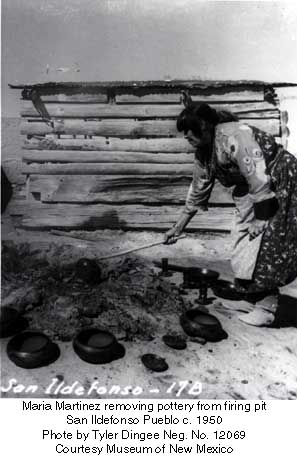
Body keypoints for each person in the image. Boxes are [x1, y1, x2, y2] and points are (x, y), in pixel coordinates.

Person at [163, 95, 297, 326]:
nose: (186, 137)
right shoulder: (204, 152)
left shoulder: (234, 136)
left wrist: (262, 218)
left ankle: (266, 308)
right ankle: (250, 298)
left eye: (189, 132)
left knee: (266, 244)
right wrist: (177, 228)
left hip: (277, 182)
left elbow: (257, 173)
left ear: (204, 127)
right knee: (242, 239)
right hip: (253, 190)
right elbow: (198, 190)